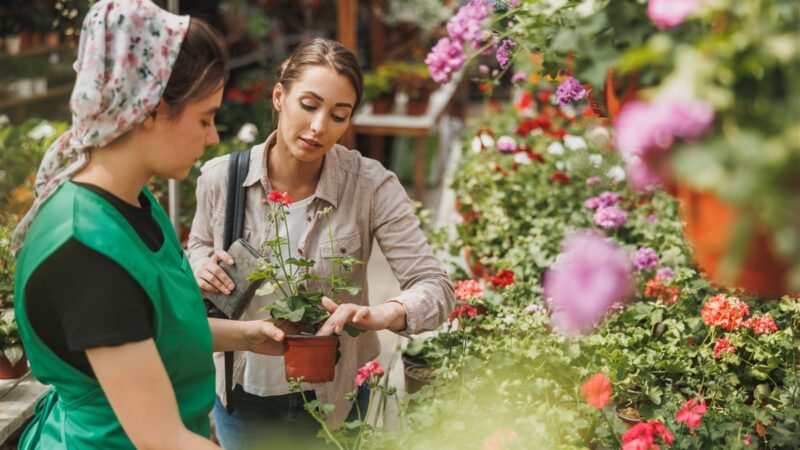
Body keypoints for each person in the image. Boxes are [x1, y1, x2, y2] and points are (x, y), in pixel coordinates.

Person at [11, 1, 286, 449]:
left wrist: (248, 337)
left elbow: (149, 330)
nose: (214, 136)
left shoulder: (132, 201)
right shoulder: (84, 253)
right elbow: (162, 439)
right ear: (150, 109)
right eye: (204, 118)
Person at [187, 38, 456, 449]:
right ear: (280, 96)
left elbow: (435, 287)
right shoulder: (220, 178)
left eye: (338, 115)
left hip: (337, 399)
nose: (319, 127)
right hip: (243, 395)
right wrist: (201, 263)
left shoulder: (370, 185)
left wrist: (383, 313)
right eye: (309, 105)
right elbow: (198, 248)